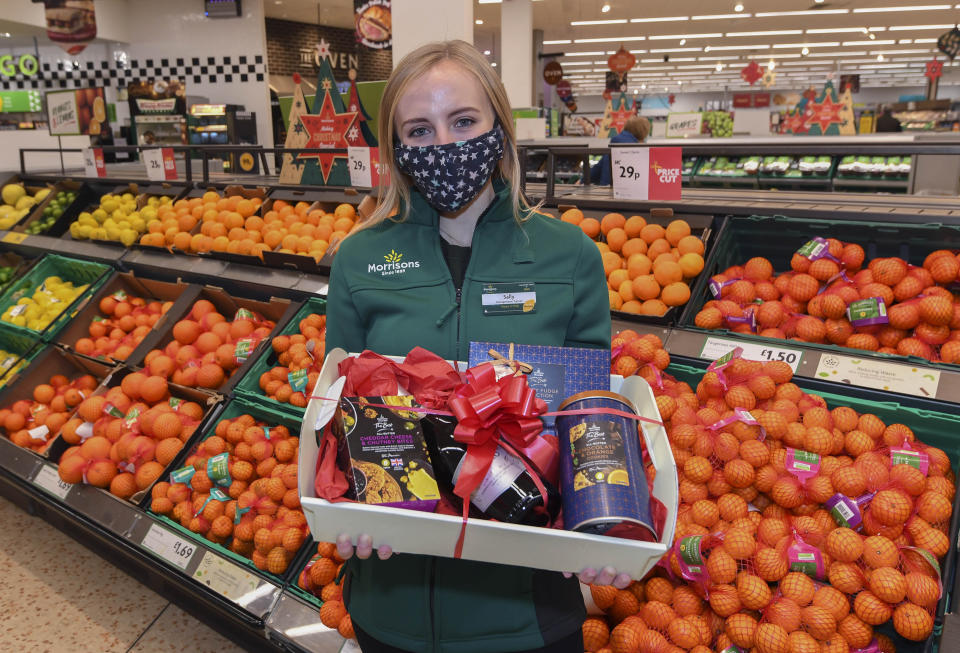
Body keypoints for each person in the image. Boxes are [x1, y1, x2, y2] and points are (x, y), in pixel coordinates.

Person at [325, 40, 628, 653]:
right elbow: (337, 410)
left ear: (499, 126)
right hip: (392, 596)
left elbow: (590, 415)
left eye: (463, 121)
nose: (445, 144)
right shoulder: (359, 257)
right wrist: (346, 510)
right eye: (420, 129)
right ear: (398, 149)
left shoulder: (571, 257)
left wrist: (604, 521)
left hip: (526, 611)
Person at [589, 116, 651, 185]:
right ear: (643, 131)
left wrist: (582, 180)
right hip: (625, 191)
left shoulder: (614, 145)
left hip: (607, 190)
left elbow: (597, 168)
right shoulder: (636, 150)